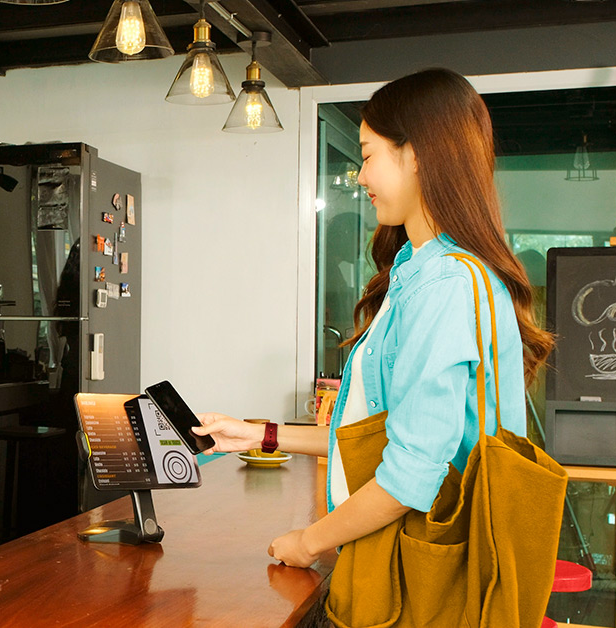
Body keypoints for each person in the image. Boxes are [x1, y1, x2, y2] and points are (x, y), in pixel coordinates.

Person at [194, 68, 553, 618]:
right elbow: (375, 436)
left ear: (418, 156)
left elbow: (409, 473)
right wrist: (254, 434)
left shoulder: (444, 285)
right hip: (405, 565)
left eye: (367, 154)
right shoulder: (422, 272)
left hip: (419, 581)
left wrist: (309, 540)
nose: (359, 175)